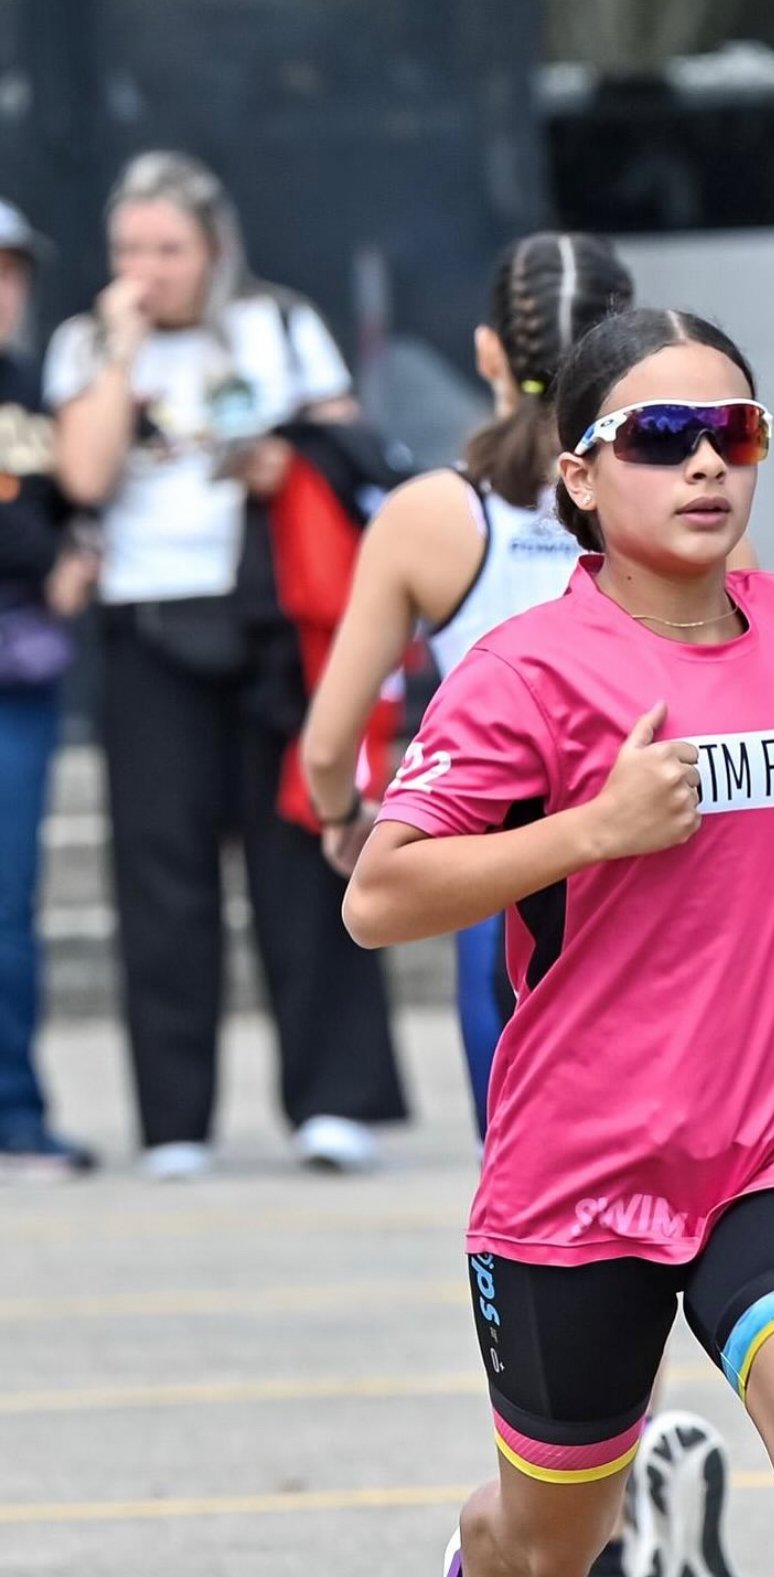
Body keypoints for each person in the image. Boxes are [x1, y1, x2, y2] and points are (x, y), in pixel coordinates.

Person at [344, 306, 774, 1577]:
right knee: (553, 1541)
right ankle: (472, 1551)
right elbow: (381, 895)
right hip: (580, 1167)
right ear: (581, 476)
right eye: (662, 437)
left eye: (735, 430)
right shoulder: (523, 671)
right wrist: (592, 829)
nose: (708, 463)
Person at [45, 151, 407, 1180]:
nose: (147, 267)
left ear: (213, 249)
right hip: (147, 621)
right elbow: (83, 471)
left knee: (304, 843)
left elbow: (348, 452)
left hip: (271, 615)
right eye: (129, 248)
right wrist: (120, 351)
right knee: (160, 871)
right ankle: (175, 1119)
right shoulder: (87, 344)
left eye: (168, 248)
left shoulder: (278, 325)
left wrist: (283, 461)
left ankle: (332, 1101)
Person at [0, 199, 98, 1175]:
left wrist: (76, 554)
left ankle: (16, 1113)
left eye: (12, 268)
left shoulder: (36, 389)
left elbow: (84, 497)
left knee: (8, 906)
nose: (3, 288)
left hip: (19, 680)